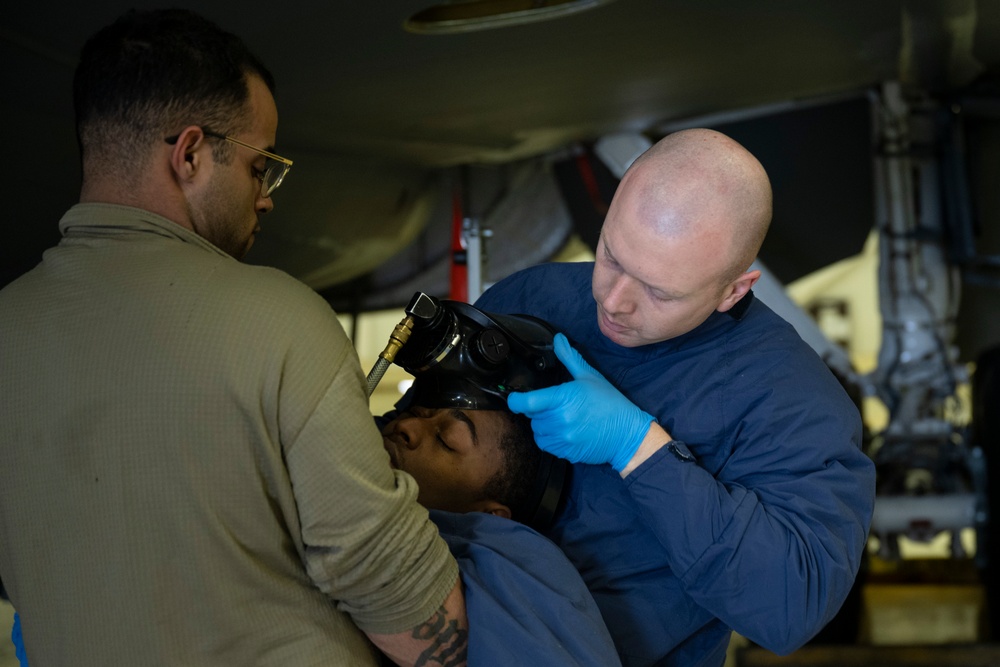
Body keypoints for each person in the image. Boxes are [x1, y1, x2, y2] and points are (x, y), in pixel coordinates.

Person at [0, 9, 466, 666]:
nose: (269, 196)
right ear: (190, 154)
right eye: (261, 167)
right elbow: (410, 616)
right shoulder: (281, 318)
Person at [474, 128, 877, 666]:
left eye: (659, 292)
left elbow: (790, 606)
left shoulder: (795, 404)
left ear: (734, 288)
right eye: (612, 257)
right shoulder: (529, 298)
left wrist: (639, 450)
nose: (614, 302)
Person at [379, 399, 622, 666]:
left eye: (446, 440)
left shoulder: (518, 565)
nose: (406, 426)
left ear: (490, 516)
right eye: (414, 412)